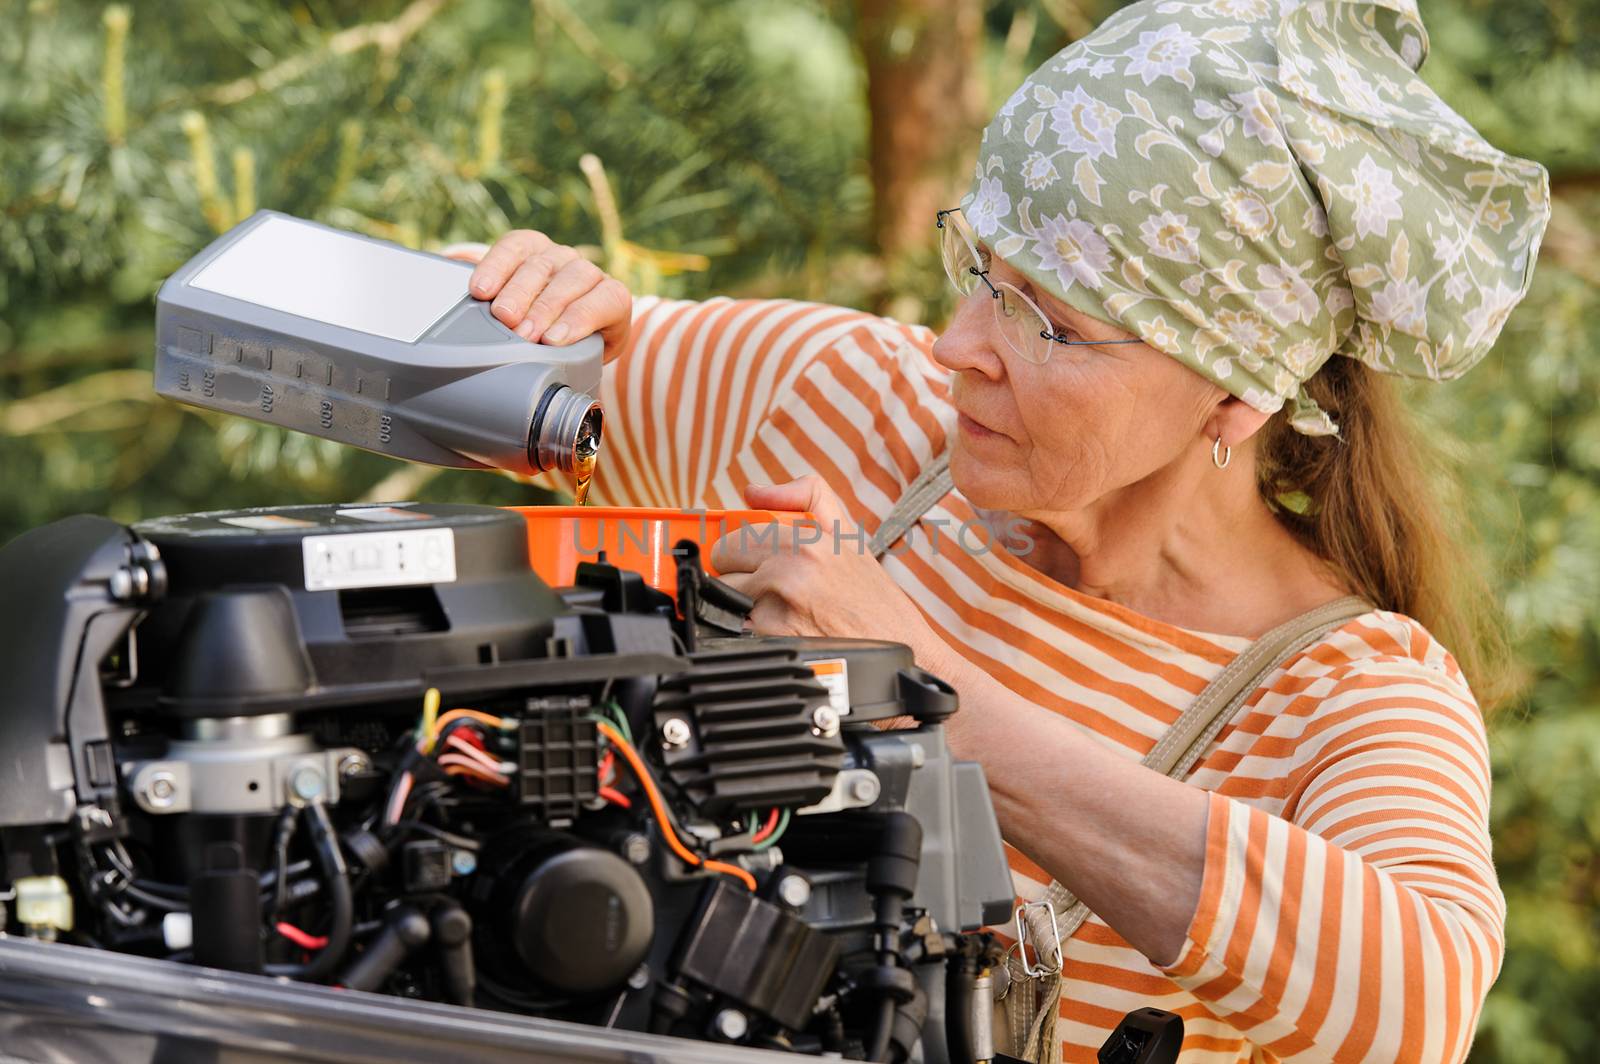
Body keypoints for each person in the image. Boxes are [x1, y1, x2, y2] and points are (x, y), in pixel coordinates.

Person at [452, 0, 1548, 1058]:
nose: (954, 344)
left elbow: (1419, 1000)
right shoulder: (836, 403)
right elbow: (522, 361)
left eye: (1048, 322)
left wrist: (936, 693)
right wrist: (526, 313)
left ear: (1234, 396)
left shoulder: (1344, 692)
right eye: (978, 268)